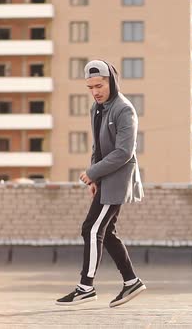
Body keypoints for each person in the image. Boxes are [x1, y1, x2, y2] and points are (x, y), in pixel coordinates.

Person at [56, 60, 146, 308]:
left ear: (111, 81)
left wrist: (92, 172)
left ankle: (85, 287)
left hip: (117, 180)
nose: (95, 91)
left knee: (91, 229)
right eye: (90, 87)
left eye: (99, 85)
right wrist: (94, 178)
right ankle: (131, 281)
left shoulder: (123, 109)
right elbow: (97, 146)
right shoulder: (96, 109)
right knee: (106, 232)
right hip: (104, 179)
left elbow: (124, 152)